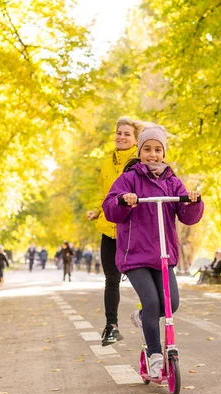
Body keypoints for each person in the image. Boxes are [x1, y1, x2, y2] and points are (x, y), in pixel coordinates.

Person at [103, 124, 204, 379]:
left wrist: (192, 201)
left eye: (157, 150)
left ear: (163, 152)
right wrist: (124, 200)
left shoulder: (172, 181)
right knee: (152, 302)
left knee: (172, 305)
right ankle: (156, 355)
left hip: (163, 254)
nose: (152, 154)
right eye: (147, 149)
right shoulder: (129, 178)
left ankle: (141, 316)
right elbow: (110, 207)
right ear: (140, 151)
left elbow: (187, 217)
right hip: (135, 255)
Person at [87, 116, 145, 346]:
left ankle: (143, 313)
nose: (121, 137)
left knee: (141, 276)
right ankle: (111, 326)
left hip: (132, 227)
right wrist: (96, 210)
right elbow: (106, 195)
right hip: (108, 227)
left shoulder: (141, 161)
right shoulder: (106, 162)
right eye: (119, 133)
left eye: (127, 134)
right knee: (111, 279)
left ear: (136, 139)